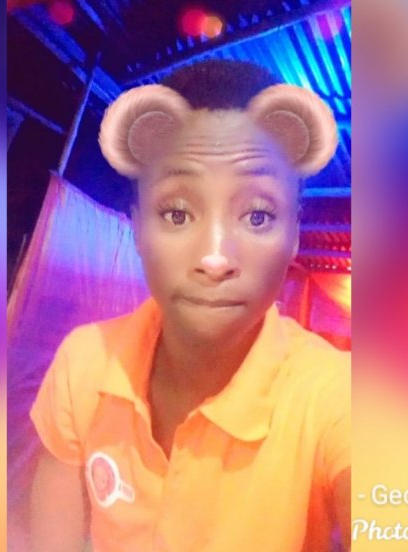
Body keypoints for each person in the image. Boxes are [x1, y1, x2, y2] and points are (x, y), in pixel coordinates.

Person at [29, 60, 351, 552]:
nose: (215, 259)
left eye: (257, 216)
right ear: (138, 227)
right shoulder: (84, 362)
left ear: (293, 236)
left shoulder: (335, 397)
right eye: (178, 213)